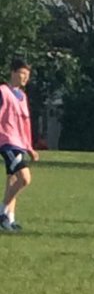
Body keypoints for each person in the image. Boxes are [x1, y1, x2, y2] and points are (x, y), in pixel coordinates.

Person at [0, 57, 38, 232]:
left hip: (19, 144)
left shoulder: (22, 96)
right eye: (22, 73)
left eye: (27, 75)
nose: (24, 78)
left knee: (13, 181)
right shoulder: (3, 91)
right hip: (7, 142)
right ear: (13, 73)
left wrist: (29, 147)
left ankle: (9, 220)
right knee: (25, 178)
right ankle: (1, 212)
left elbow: (25, 124)